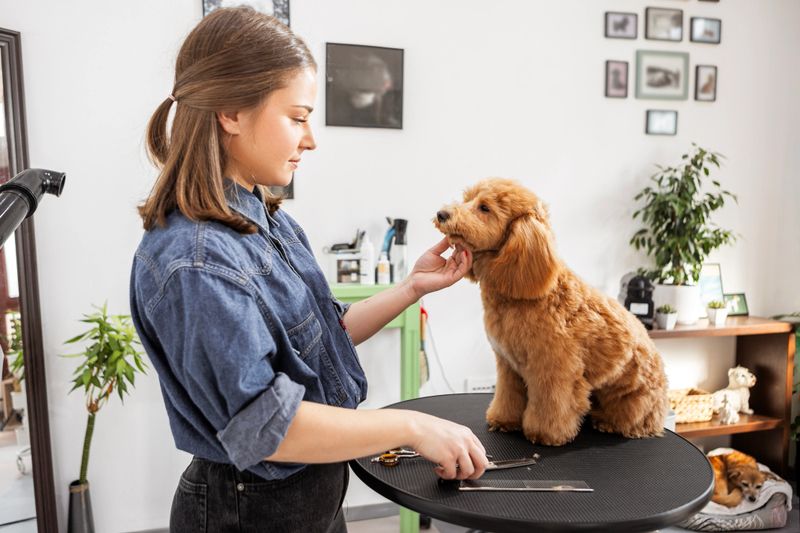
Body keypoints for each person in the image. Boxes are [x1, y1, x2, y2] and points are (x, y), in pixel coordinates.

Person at [130, 7, 488, 532]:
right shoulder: (197, 262)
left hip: (310, 497)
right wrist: (408, 427)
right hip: (249, 511)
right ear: (231, 111)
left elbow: (323, 336)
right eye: (297, 117)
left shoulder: (267, 220)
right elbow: (267, 427)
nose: (311, 138)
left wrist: (412, 286)